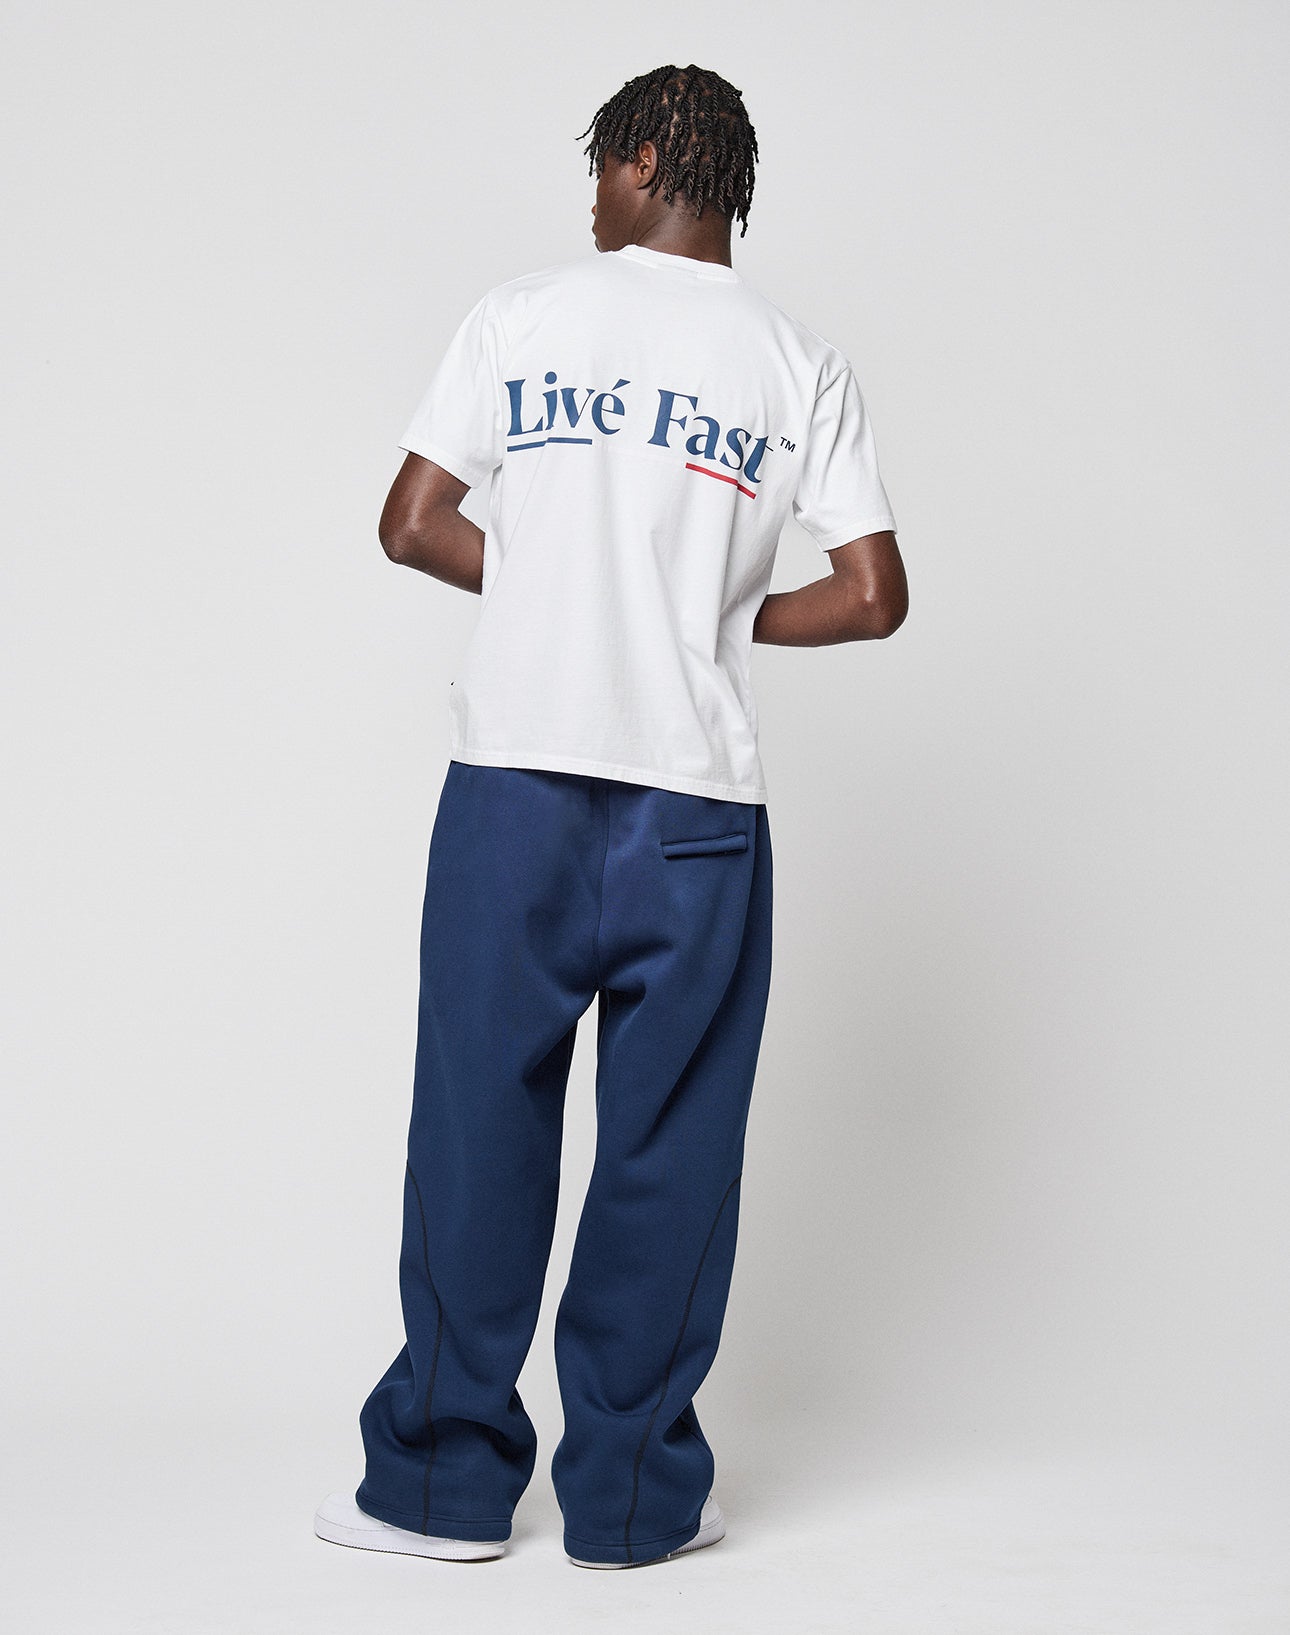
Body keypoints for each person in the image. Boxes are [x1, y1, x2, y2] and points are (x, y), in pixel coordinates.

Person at [314, 61, 908, 1571]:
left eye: (598, 168)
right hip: (694, 809)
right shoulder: (797, 361)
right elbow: (872, 594)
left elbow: (409, 523)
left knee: (474, 1123)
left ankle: (438, 1497)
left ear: (645, 159)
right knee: (670, 1151)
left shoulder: (522, 315)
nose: (589, 198)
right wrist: (701, 616)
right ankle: (632, 1511)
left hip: (515, 780)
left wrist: (571, 590)